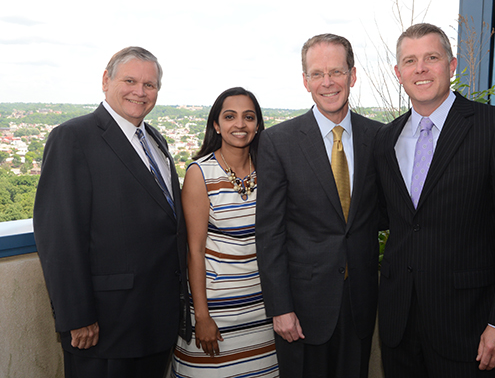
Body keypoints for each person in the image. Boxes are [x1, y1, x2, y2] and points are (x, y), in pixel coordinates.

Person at [374, 23, 495, 377]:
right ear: (398, 73)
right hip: (399, 326)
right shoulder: (386, 140)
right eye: (410, 61)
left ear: (452, 64)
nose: (421, 68)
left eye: (432, 57)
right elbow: (391, 219)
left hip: (469, 329)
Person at [34, 46, 190, 378]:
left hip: (155, 323)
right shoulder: (72, 138)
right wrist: (77, 316)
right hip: (104, 327)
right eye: (130, 80)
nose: (141, 91)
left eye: (150, 85)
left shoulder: (155, 140)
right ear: (106, 80)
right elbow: (59, 235)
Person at [255, 34, 383, 378]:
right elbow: (269, 233)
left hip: (360, 303)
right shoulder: (277, 142)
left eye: (337, 72)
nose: (327, 82)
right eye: (317, 74)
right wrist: (280, 308)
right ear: (305, 81)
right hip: (301, 309)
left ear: (352, 76)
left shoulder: (379, 137)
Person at [171, 87, 278, 377]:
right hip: (217, 310)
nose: (240, 125)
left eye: (249, 117)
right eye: (230, 117)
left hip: (263, 312)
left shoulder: (270, 170)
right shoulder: (200, 173)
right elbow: (194, 251)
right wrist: (201, 317)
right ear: (216, 125)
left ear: (258, 125)